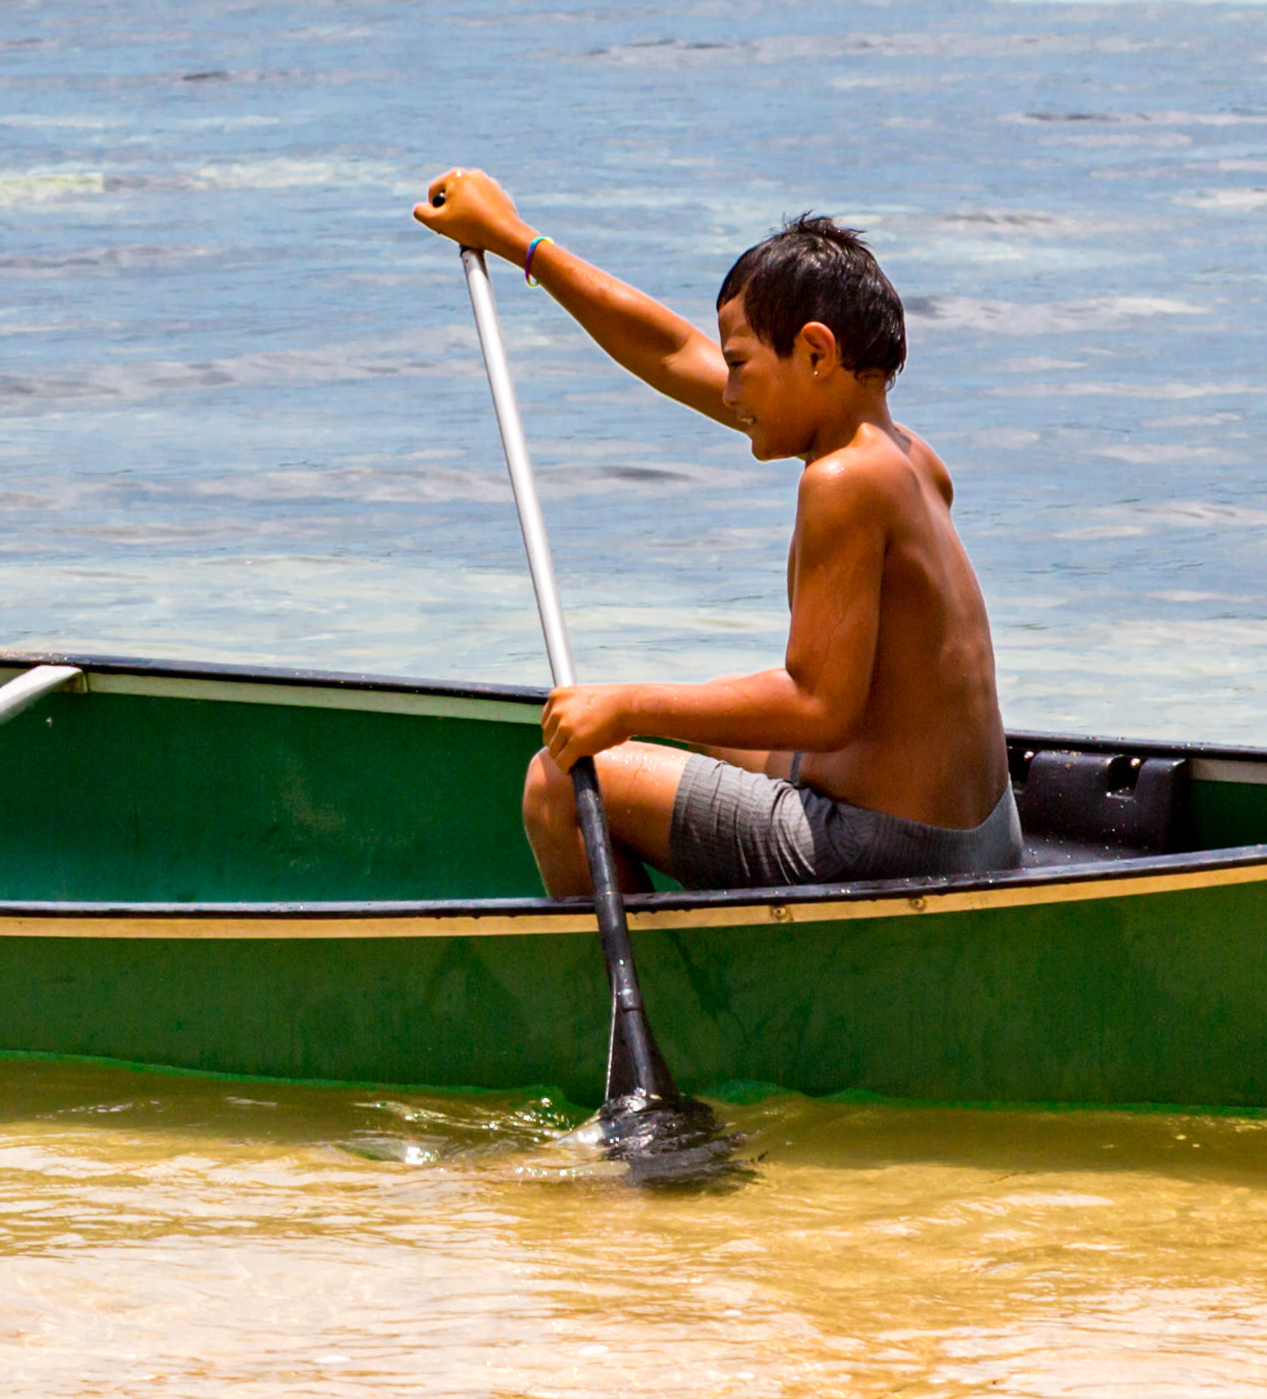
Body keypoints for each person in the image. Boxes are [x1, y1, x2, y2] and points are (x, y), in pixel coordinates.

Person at [406, 170, 1017, 892]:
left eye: (740, 369)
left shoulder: (841, 483)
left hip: (887, 852)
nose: (728, 396)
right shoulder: (905, 456)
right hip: (981, 836)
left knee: (559, 783)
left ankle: (650, 998)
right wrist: (515, 241)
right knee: (703, 731)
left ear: (816, 354)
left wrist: (629, 702)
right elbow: (670, 352)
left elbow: (818, 707)